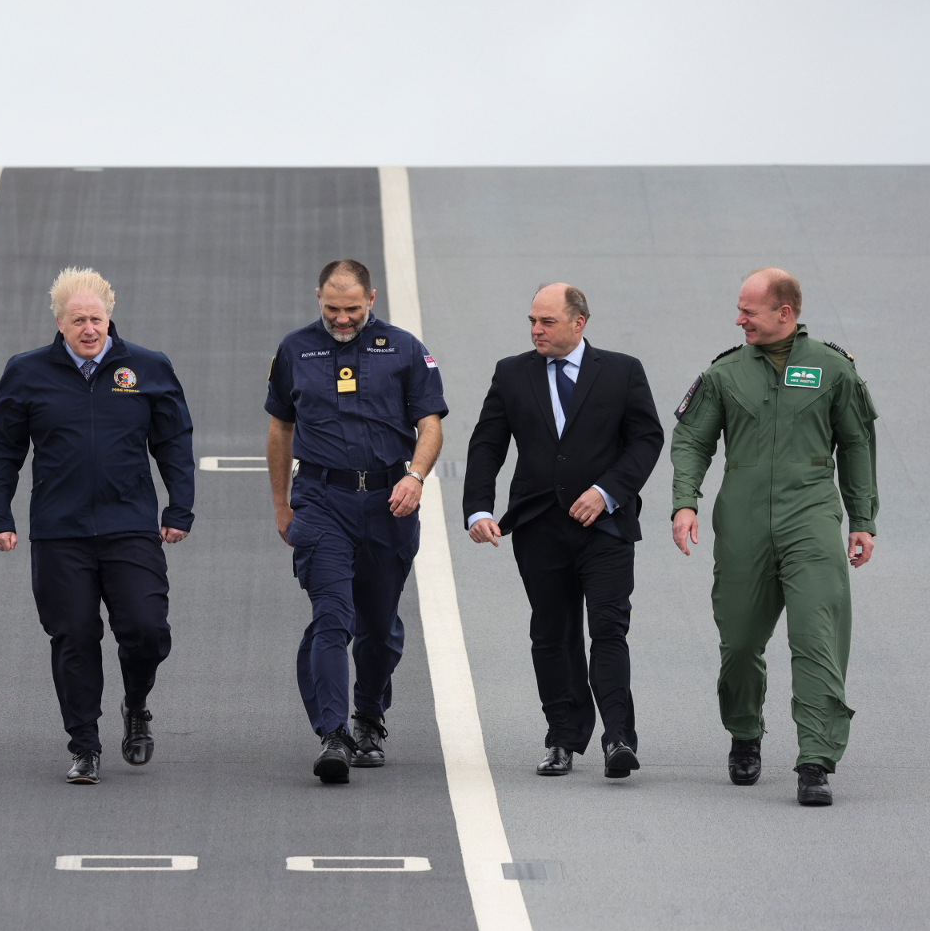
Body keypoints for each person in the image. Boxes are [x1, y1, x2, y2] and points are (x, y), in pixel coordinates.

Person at [670, 268, 878, 806]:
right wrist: (685, 501)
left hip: (810, 515)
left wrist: (862, 519)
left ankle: (816, 759)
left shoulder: (833, 369)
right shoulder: (724, 373)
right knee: (739, 642)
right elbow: (693, 439)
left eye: (749, 312)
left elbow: (857, 445)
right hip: (742, 520)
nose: (739, 320)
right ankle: (745, 731)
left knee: (817, 638)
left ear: (785, 313)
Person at [0, 267, 195, 785]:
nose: (89, 329)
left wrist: (179, 509)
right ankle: (85, 745)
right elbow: (1, 450)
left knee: (146, 630)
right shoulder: (26, 372)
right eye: (77, 320)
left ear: (109, 317)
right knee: (73, 636)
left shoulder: (147, 368)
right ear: (59, 323)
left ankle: (137, 703)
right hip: (60, 533)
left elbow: (174, 442)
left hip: (130, 528)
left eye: (96, 319)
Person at [462, 284, 663, 779]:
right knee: (553, 634)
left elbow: (647, 438)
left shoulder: (622, 371)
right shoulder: (512, 373)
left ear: (579, 323)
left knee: (609, 629)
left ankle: (617, 736)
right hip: (538, 527)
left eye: (547, 322)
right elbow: (487, 443)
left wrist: (607, 491)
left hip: (606, 526)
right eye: (532, 320)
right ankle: (562, 738)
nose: (536, 330)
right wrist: (477, 509)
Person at [265, 258, 447, 784]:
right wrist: (281, 504)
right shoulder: (294, 349)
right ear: (316, 297)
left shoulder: (406, 349)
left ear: (371, 298)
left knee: (379, 627)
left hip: (390, 501)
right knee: (332, 616)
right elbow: (279, 430)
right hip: (322, 501)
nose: (341, 319)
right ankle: (332, 733)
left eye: (350, 309)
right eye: (330, 309)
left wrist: (415, 476)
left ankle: (369, 715)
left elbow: (430, 424)